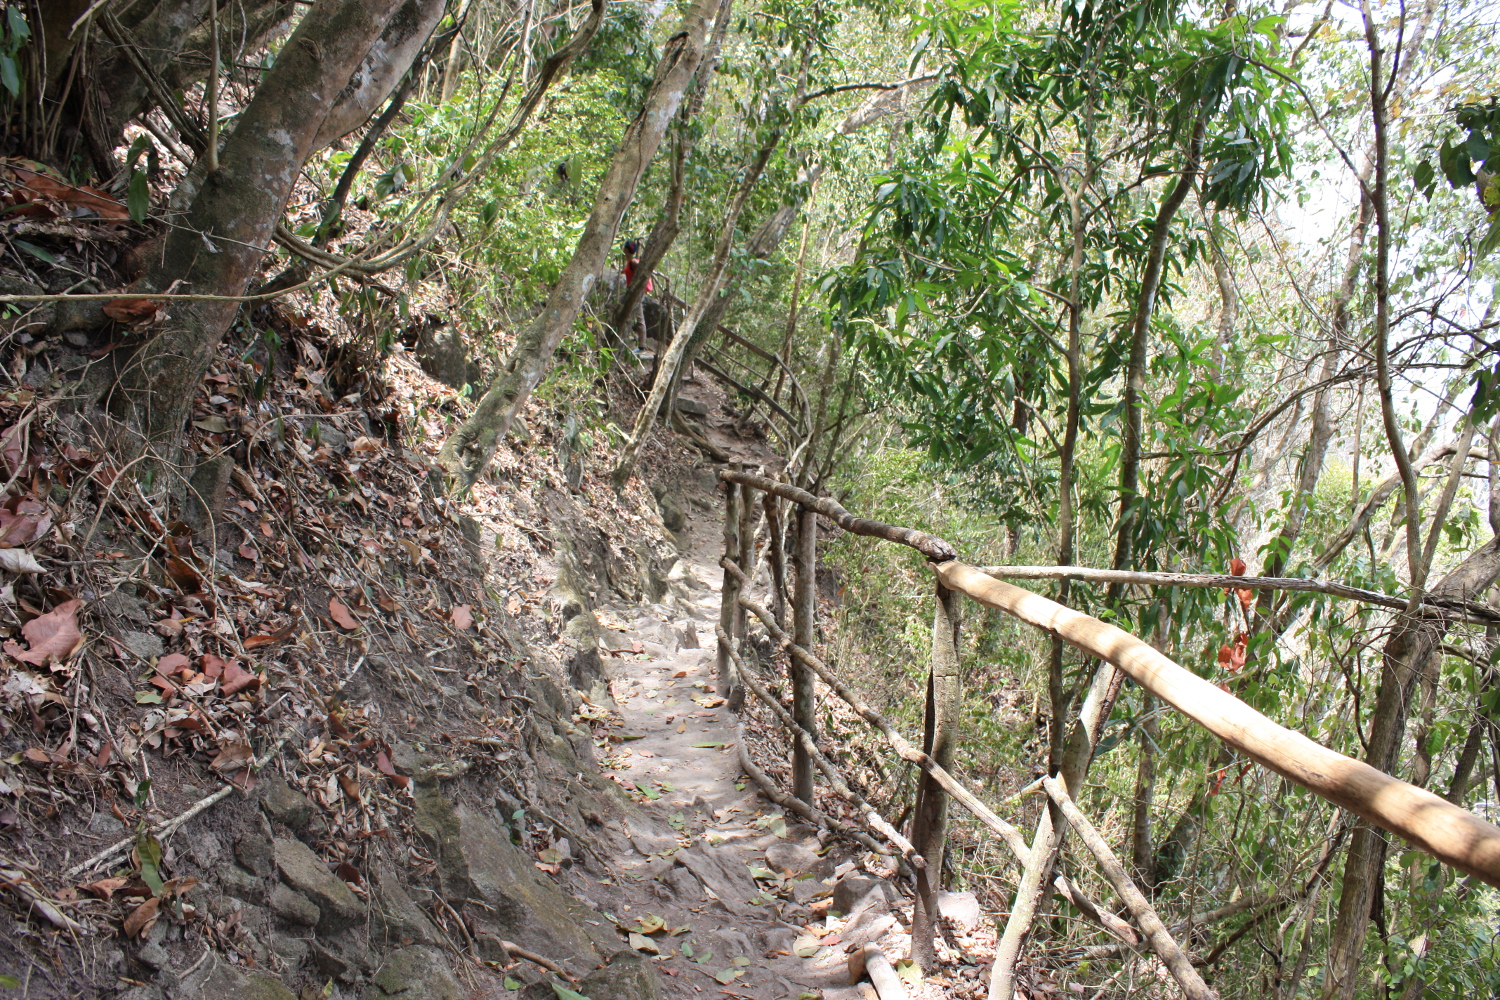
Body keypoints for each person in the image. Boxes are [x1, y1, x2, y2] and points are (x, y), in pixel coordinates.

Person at [622, 238, 652, 348]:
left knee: (639, 318)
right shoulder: (630, 262)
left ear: (625, 249)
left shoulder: (634, 261)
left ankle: (642, 346)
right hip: (632, 291)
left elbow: (641, 270)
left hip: (636, 292)